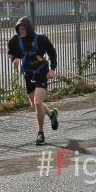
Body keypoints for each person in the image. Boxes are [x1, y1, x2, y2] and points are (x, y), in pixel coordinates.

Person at [8, 16, 59, 145]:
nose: (21, 31)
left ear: (29, 28)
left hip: (41, 73)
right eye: (19, 29)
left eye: (24, 28)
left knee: (37, 103)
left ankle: (40, 133)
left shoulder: (40, 39)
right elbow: (13, 52)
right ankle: (52, 114)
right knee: (35, 105)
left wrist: (52, 69)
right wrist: (14, 59)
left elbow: (52, 52)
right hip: (28, 74)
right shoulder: (15, 40)